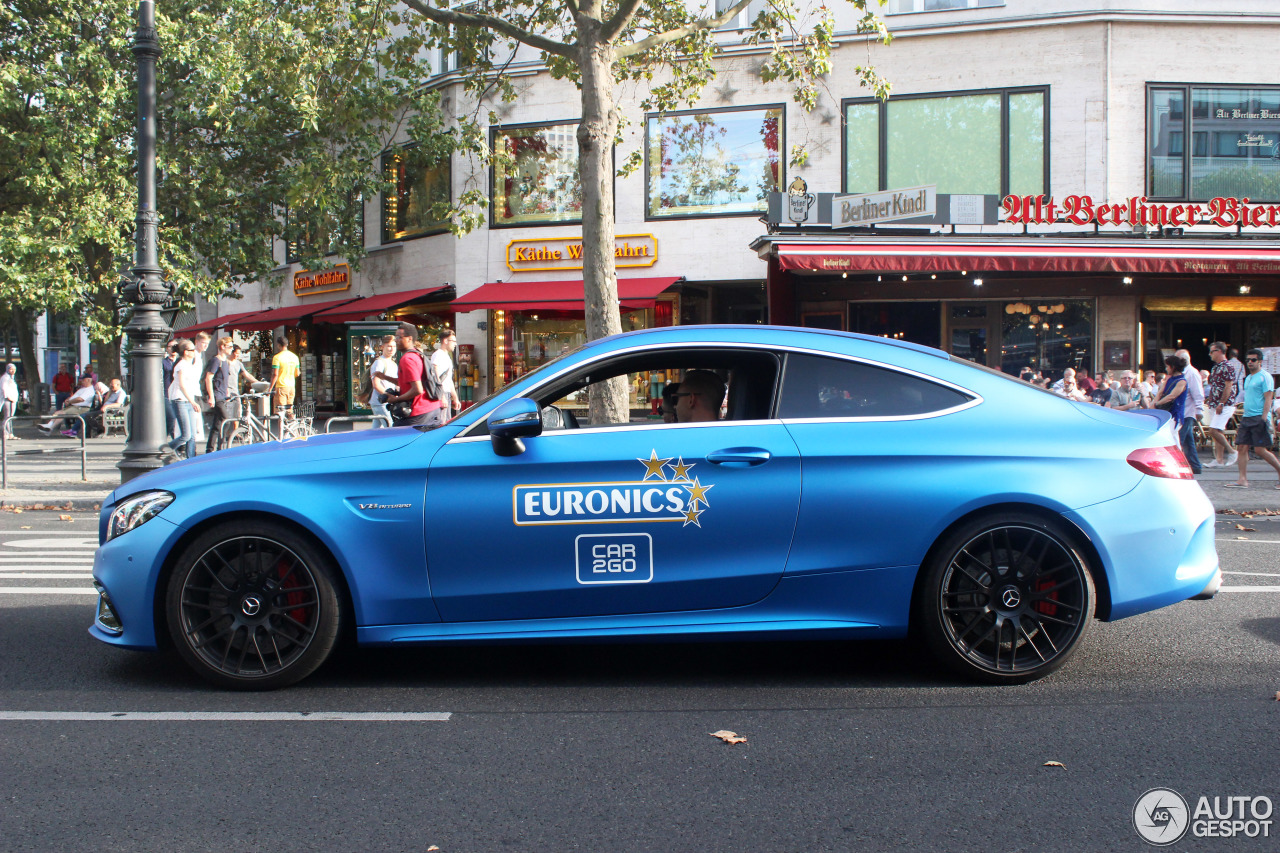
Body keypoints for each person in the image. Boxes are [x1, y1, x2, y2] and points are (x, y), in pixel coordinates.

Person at [1227, 349, 1280, 489]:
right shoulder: (1249, 377)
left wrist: (1265, 418)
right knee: (1242, 447)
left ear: (1260, 361)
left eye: (1253, 360)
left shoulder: (1265, 376)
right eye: (1248, 360)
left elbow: (1269, 399)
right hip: (1247, 416)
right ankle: (1242, 479)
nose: (1250, 362)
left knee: (1260, 450)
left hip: (1259, 416)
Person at [383, 322, 444, 427]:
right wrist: (384, 377)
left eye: (399, 337)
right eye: (395, 337)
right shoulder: (418, 354)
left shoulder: (407, 359)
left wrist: (396, 399)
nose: (396, 340)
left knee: (397, 438)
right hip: (432, 409)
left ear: (409, 339)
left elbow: (417, 389)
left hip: (419, 413)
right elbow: (407, 382)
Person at [204, 336, 257, 453]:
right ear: (222, 347)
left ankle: (213, 449)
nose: (231, 349)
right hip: (217, 396)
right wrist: (211, 396)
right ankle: (217, 448)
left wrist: (227, 391)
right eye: (230, 347)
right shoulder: (216, 360)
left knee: (218, 423)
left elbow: (225, 379)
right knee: (226, 419)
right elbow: (208, 378)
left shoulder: (225, 362)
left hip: (223, 395)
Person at [1152, 354, 1197, 472]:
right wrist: (1155, 404)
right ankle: (1179, 464)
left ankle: (1180, 465)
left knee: (1173, 440)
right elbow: (1160, 392)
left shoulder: (1182, 381)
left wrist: (1156, 404)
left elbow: (1172, 396)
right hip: (1167, 413)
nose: (1166, 369)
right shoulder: (1169, 378)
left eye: (1167, 366)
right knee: (1173, 439)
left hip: (1175, 414)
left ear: (1172, 367)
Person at [1204, 342, 1240, 469]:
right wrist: (1210, 400)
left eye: (1212, 351)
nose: (1210, 354)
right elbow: (1214, 386)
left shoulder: (1228, 366)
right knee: (1217, 430)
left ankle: (1232, 451)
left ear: (1219, 351)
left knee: (1213, 430)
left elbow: (1228, 386)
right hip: (1215, 403)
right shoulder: (1215, 367)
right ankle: (1218, 459)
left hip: (1225, 404)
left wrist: (1221, 403)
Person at [166, 340, 201, 459]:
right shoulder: (181, 365)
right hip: (180, 400)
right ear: (186, 352)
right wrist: (193, 401)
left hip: (188, 400)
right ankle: (165, 450)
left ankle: (191, 460)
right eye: (192, 350)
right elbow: (182, 385)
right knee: (185, 435)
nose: (194, 352)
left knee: (191, 435)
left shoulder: (188, 364)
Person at [1174, 348, 1205, 474]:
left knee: (1179, 438)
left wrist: (1199, 409)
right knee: (1188, 440)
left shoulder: (1192, 373)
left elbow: (1197, 393)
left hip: (1188, 412)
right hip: (1184, 411)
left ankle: (1178, 464)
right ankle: (1195, 465)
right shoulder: (1184, 372)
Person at [267, 336, 300, 419]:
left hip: (281, 386)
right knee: (289, 410)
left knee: (280, 412)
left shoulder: (277, 357)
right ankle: (293, 428)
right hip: (291, 386)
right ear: (287, 344)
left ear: (278, 345)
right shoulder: (294, 357)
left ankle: (282, 430)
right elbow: (297, 373)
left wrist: (270, 388)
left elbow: (275, 374)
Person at [432, 329, 461, 419]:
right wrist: (442, 396)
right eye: (453, 341)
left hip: (446, 393)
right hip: (441, 393)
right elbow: (435, 376)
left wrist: (455, 397)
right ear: (445, 341)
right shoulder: (438, 355)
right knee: (442, 422)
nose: (455, 344)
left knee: (447, 421)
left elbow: (448, 379)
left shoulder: (447, 356)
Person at [369, 336, 397, 428]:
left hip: (385, 401)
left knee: (376, 429)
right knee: (390, 427)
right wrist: (389, 396)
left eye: (394, 346)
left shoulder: (393, 363)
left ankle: (369, 442)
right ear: (382, 347)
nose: (392, 349)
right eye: (389, 346)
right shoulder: (379, 363)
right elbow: (376, 384)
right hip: (381, 401)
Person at [162, 342, 179, 441]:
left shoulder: (180, 361)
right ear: (167, 349)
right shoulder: (163, 362)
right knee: (172, 418)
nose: (173, 348)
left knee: (176, 420)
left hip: (178, 393)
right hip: (166, 393)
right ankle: (175, 445)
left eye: (175, 346)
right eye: (170, 346)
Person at [0, 363, 18, 438]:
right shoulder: (5, 378)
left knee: (10, 416)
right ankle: (7, 433)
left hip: (13, 399)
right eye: (11, 369)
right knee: (8, 417)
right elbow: (4, 388)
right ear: (7, 369)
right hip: (8, 399)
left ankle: (9, 433)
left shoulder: (12, 378)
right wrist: (9, 397)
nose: (13, 371)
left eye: (14, 369)